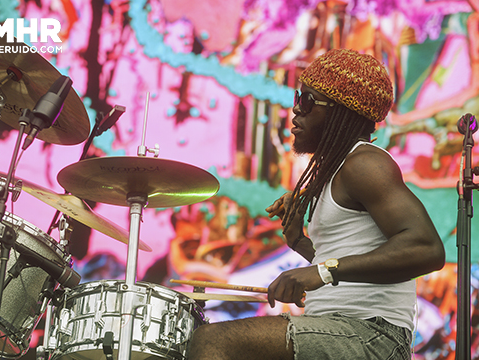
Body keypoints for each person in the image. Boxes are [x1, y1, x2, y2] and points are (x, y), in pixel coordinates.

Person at [187, 48, 445, 360]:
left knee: (213, 342)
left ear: (339, 111)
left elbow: (426, 249)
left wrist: (322, 271)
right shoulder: (337, 171)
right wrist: (300, 243)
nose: (295, 110)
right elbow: (349, 263)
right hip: (344, 331)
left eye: (307, 101)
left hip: (370, 336)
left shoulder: (364, 164)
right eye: (298, 98)